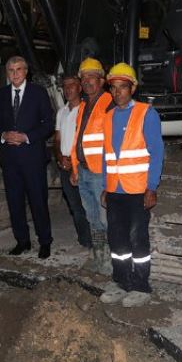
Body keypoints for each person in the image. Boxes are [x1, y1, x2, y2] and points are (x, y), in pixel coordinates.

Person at [98, 63, 164, 308]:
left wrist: (152, 187)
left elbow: (156, 153)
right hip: (115, 190)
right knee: (117, 239)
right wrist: (106, 185)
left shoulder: (147, 113)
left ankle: (141, 285)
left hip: (137, 190)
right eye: (113, 88)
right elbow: (108, 156)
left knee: (138, 239)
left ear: (132, 88)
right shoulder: (108, 117)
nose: (117, 93)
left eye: (122, 88)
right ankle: (120, 280)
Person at [0, 55, 54, 259]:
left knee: (38, 201)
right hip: (10, 160)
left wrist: (26, 137)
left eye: (19, 69)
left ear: (26, 72)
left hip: (33, 157)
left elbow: (48, 124)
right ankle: (22, 241)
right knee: (14, 202)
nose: (15, 74)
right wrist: (3, 135)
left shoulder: (39, 93)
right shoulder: (0, 95)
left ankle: (45, 241)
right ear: (7, 73)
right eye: (11, 70)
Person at [70, 58, 113, 271]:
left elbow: (113, 143)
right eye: (83, 77)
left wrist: (110, 175)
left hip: (101, 173)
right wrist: (75, 167)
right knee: (92, 218)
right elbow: (78, 139)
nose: (87, 81)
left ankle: (114, 261)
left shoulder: (110, 102)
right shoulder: (84, 105)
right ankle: (99, 257)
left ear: (102, 80)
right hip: (85, 172)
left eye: (91, 77)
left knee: (106, 219)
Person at [53, 75, 91, 250]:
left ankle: (97, 241)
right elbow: (57, 138)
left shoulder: (86, 109)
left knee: (89, 205)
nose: (68, 90)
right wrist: (60, 158)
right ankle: (85, 241)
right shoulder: (61, 112)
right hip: (65, 166)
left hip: (82, 166)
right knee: (75, 207)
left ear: (80, 88)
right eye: (65, 87)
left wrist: (73, 161)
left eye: (72, 86)